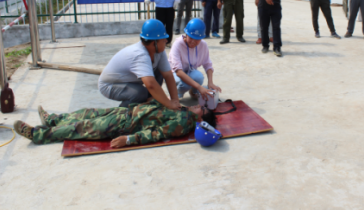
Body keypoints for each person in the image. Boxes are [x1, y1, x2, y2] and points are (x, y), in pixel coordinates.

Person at [13, 102, 216, 146]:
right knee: (86, 112)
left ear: (201, 118)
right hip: (125, 112)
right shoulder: (182, 109)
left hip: (124, 125)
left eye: (202, 108)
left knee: (80, 128)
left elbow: (156, 134)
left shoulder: (183, 122)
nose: (199, 105)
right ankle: (53, 119)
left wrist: (128, 139)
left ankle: (37, 134)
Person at [98, 19, 181, 110]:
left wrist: (175, 101)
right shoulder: (140, 55)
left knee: (159, 71)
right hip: (110, 85)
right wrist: (169, 104)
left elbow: (168, 75)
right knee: (140, 93)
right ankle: (123, 113)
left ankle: (149, 99)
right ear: (154, 43)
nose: (166, 41)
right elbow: (151, 85)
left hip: (130, 81)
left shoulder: (159, 52)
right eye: (163, 39)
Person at [169, 18, 222, 99]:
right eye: (191, 37)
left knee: (199, 77)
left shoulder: (203, 45)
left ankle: (193, 92)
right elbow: (179, 72)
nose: (193, 41)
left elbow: (208, 64)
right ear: (186, 34)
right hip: (174, 74)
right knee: (185, 83)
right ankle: (176, 93)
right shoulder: (177, 45)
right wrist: (199, 87)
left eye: (197, 39)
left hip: (189, 71)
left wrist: (210, 83)